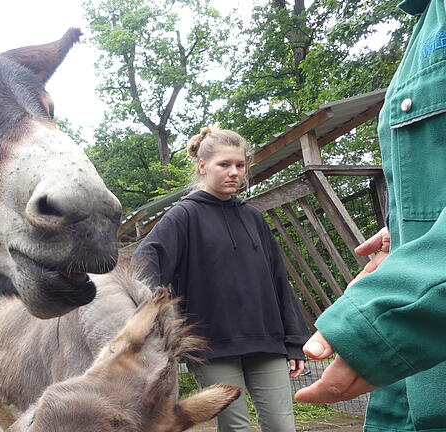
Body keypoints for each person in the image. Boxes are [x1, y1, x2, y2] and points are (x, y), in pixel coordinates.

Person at [294, 1, 446, 430]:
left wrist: (390, 316)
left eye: (239, 164)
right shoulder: (427, 20)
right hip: (412, 398)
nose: (235, 173)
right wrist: (409, 232)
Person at [132, 127, 310, 432]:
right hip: (212, 348)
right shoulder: (183, 216)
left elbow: (280, 281)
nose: (234, 173)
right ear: (203, 166)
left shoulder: (253, 217)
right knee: (236, 429)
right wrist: (157, 317)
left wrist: (295, 342)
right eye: (224, 165)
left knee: (282, 427)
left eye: (240, 165)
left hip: (266, 342)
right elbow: (145, 262)